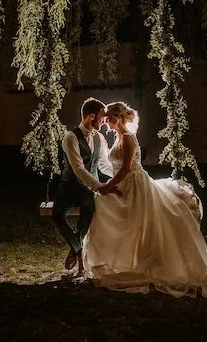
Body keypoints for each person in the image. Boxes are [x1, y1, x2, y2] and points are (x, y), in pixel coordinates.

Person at [83, 101, 207, 297]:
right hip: (125, 184)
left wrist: (107, 187)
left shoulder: (127, 138)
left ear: (118, 117)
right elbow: (116, 168)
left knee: (139, 223)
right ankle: (119, 261)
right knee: (112, 211)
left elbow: (126, 169)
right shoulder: (118, 138)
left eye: (109, 116)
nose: (106, 120)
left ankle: (143, 264)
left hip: (134, 185)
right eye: (105, 116)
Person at [52, 97, 118, 277]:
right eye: (102, 118)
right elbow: (78, 168)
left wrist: (120, 178)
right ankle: (79, 251)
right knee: (57, 215)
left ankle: (75, 251)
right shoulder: (70, 137)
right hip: (70, 185)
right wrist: (98, 186)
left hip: (89, 189)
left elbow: (104, 164)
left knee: (87, 214)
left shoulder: (100, 138)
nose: (104, 122)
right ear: (91, 116)